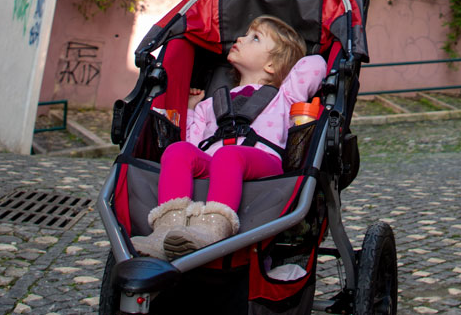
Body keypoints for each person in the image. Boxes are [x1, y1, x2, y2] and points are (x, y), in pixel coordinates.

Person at [134, 16, 326, 260]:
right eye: (245, 34)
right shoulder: (211, 104)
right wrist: (192, 107)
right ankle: (167, 227)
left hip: (263, 163)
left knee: (229, 155)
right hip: (214, 162)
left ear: (272, 65)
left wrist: (289, 61)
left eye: (254, 38)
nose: (240, 38)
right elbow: (193, 143)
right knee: (177, 151)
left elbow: (316, 64)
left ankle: (214, 227)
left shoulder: (285, 97)